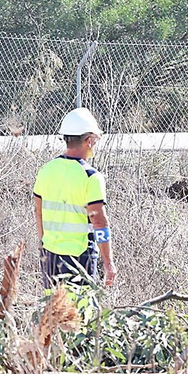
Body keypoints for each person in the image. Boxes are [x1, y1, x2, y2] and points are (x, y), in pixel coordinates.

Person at [33, 108, 116, 288]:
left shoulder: (46, 170)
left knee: (54, 311)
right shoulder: (91, 177)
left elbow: (38, 212)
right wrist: (108, 263)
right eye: (95, 139)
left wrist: (43, 247)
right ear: (88, 141)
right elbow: (99, 222)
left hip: (50, 256)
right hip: (79, 258)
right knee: (80, 312)